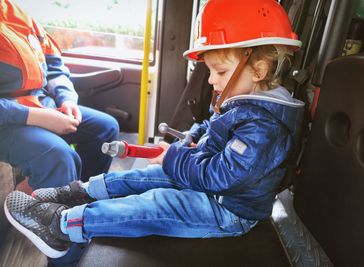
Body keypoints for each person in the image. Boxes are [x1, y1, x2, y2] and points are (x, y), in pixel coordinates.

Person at [4, 0, 304, 259]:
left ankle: (62, 226)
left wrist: (175, 158)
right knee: (148, 176)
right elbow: (212, 126)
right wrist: (192, 138)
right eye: (211, 72)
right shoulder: (246, 102)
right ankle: (81, 192)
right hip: (211, 188)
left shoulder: (266, 124)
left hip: (227, 210)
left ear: (259, 69)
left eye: (220, 72)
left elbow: (221, 176)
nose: (212, 80)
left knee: (156, 203)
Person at [0, 0, 119, 190]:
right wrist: (34, 117)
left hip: (36, 101)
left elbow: (53, 65)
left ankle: (82, 197)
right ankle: (55, 216)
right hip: (6, 118)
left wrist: (67, 99)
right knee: (58, 157)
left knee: (105, 128)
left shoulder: (16, 13)